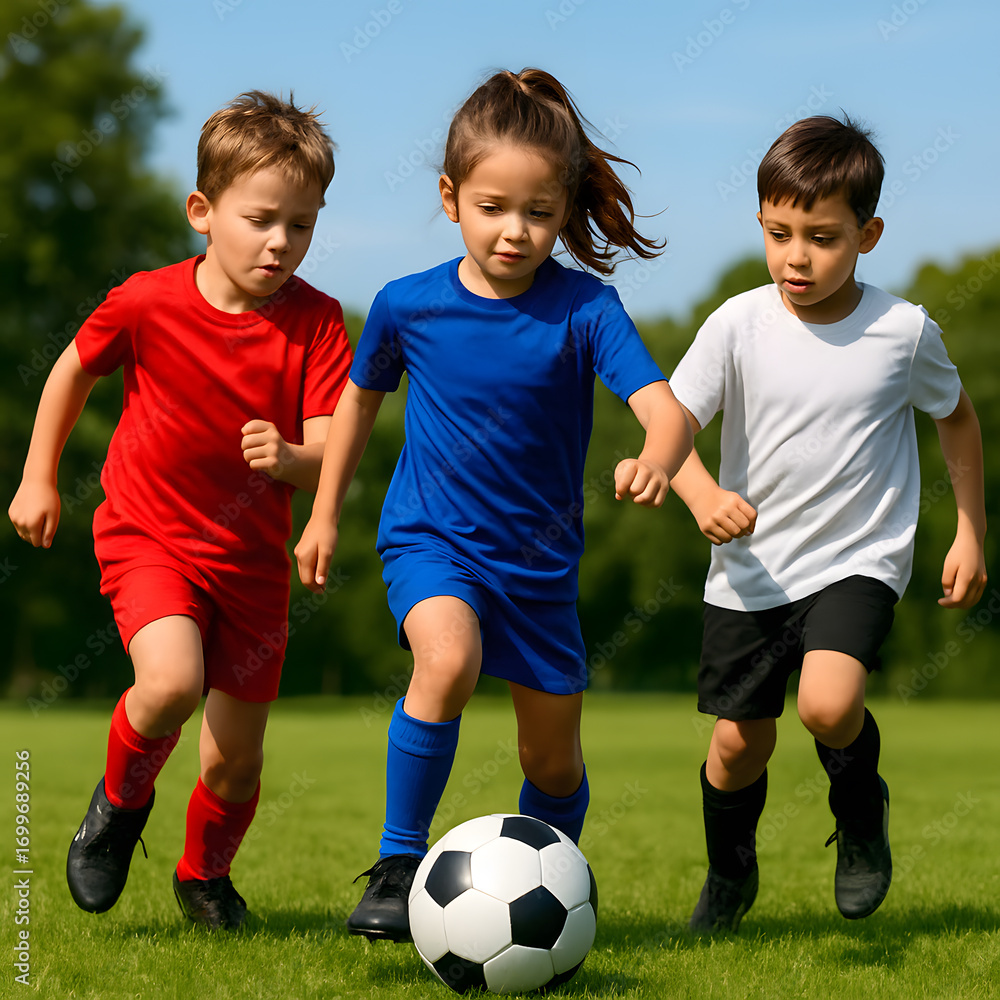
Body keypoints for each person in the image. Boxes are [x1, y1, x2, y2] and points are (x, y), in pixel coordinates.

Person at [294, 67, 692, 942]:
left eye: (540, 212)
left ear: (565, 208)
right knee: (447, 660)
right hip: (431, 542)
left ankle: (547, 886)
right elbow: (356, 405)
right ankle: (398, 866)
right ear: (451, 199)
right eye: (492, 207)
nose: (516, 231)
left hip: (539, 573)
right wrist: (324, 512)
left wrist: (657, 458)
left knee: (551, 763)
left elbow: (665, 411)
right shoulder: (406, 306)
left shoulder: (586, 309)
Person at [8, 91, 352, 931]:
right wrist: (38, 476)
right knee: (168, 683)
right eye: (261, 220)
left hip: (251, 564)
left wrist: (293, 460)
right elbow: (72, 369)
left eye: (301, 225)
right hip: (148, 536)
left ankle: (204, 878)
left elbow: (329, 448)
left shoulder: (317, 322)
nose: (280, 242)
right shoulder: (146, 301)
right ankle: (119, 808)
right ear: (203, 212)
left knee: (235, 763)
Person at [668, 115, 987, 933]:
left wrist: (970, 531)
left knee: (827, 703)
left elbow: (956, 418)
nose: (796, 258)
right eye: (779, 234)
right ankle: (730, 872)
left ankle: (861, 814)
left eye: (822, 238)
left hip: (857, 560)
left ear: (866, 236)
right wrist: (695, 491)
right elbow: (673, 423)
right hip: (750, 573)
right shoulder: (735, 324)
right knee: (738, 746)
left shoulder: (903, 331)